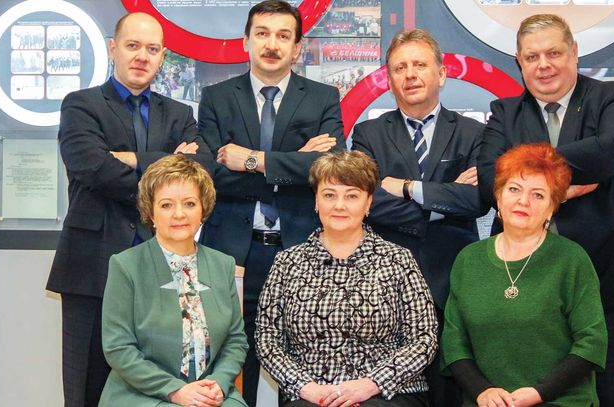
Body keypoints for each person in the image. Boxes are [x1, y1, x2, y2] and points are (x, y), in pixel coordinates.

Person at [476, 14, 614, 406]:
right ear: (519, 62)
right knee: (531, 392)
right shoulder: (505, 112)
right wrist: (555, 189)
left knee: (609, 393)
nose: (543, 65)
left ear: (574, 52)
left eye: (553, 53)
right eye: (532, 57)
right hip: (528, 282)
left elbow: (611, 150)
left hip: (608, 276)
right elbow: (487, 182)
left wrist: (521, 173)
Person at [46, 12, 210, 407]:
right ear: (113, 48)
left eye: (152, 49)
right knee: (87, 385)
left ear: (162, 57)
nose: (142, 56)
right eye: (133, 45)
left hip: (163, 266)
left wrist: (135, 158)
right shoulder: (81, 105)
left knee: (161, 383)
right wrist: (166, 170)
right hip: (92, 265)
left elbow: (199, 169)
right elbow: (93, 167)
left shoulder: (180, 113)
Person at [196, 1, 344, 404]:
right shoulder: (216, 97)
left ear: (297, 48)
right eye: (262, 34)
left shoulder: (322, 97)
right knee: (228, 359)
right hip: (232, 250)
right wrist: (296, 162)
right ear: (246, 41)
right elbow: (211, 174)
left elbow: (329, 168)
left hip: (300, 248)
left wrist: (252, 160)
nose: (272, 44)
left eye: (283, 36)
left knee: (301, 361)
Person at [351, 28, 487, 406]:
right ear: (389, 78)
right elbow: (369, 203)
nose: (410, 74)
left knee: (451, 390)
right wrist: (444, 200)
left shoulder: (475, 132)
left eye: (419, 65)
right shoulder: (368, 134)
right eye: (400, 68)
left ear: (441, 74)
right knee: (392, 395)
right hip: (385, 284)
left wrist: (408, 187)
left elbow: (477, 200)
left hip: (453, 279)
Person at [256, 151, 438, 407]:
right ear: (316, 201)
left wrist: (370, 384)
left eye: (352, 196)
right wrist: (307, 388)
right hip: (310, 395)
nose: (339, 205)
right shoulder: (287, 262)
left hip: (388, 394)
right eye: (329, 195)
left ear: (368, 203)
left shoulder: (398, 260)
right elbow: (267, 341)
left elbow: (424, 339)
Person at [444, 143, 607, 407]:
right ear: (498, 197)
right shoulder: (468, 260)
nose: (523, 201)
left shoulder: (571, 259)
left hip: (558, 401)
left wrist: (538, 393)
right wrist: (482, 391)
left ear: (552, 207)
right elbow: (454, 342)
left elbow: (592, 342)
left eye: (538, 195)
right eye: (514, 189)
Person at [100, 155, 247, 407]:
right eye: (166, 205)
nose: (179, 214)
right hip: (143, 393)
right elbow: (118, 348)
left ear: (203, 209)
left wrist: (219, 384)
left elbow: (235, 341)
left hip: (211, 393)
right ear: (150, 212)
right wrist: (175, 391)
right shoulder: (125, 266)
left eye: (189, 203)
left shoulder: (223, 264)